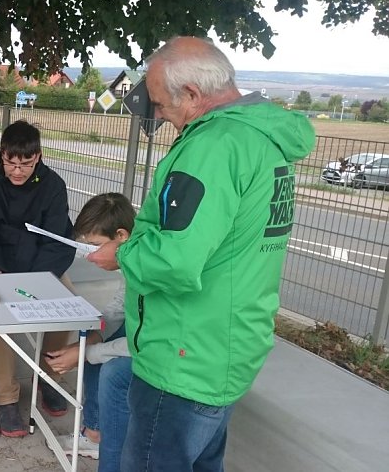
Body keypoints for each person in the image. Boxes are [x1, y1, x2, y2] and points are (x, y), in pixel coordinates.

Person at [93, 37, 315, 471]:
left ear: (192, 94)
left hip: (184, 355)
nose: (158, 114)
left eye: (159, 104)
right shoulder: (261, 139)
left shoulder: (211, 148)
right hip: (226, 345)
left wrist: (123, 254)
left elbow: (175, 260)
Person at [0, 119, 74, 437]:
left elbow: (58, 240)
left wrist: (38, 280)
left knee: (65, 308)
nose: (17, 171)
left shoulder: (53, 185)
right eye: (11, 163)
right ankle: (6, 397)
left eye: (25, 164)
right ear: (2, 154)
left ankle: (49, 378)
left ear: (37, 157)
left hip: (40, 266)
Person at [45, 193, 135, 471]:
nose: (91, 256)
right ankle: (93, 434)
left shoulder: (151, 267)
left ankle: (107, 445)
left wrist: (86, 351)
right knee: (95, 349)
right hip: (142, 336)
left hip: (160, 347)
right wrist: (93, 335)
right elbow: (120, 306)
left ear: (121, 235)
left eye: (96, 246)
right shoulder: (134, 257)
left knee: (110, 369)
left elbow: (141, 343)